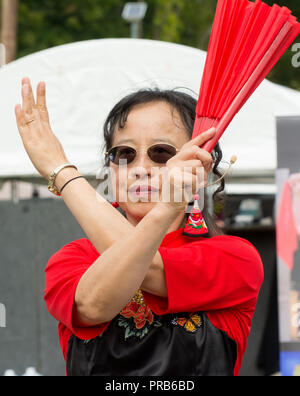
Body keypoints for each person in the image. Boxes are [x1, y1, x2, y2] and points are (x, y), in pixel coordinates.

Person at [15, 77, 264, 377]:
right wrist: (167, 207)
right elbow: (93, 306)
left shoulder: (234, 257)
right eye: (124, 154)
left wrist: (62, 172)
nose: (140, 169)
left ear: (200, 167)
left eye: (161, 153)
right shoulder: (74, 258)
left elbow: (150, 269)